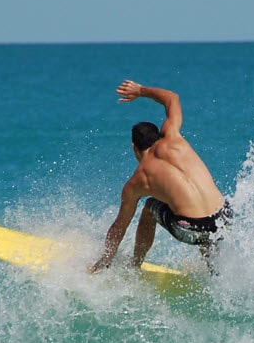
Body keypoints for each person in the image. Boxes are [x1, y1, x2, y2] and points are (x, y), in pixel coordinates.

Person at [90, 80, 232, 273]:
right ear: (158, 136)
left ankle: (135, 268)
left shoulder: (139, 180)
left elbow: (119, 227)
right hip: (225, 216)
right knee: (199, 211)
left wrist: (104, 260)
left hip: (192, 229)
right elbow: (172, 98)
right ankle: (215, 272)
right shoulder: (173, 136)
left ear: (134, 147)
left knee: (150, 207)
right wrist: (140, 91)